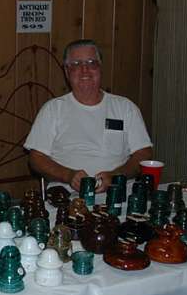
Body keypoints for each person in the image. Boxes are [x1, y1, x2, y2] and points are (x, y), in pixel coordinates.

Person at [24, 39, 153, 192]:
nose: (85, 70)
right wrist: (68, 175)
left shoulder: (125, 107)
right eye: (76, 64)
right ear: (67, 72)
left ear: (100, 68)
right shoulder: (53, 109)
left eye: (92, 63)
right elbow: (36, 158)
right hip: (67, 195)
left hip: (117, 192)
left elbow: (144, 153)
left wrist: (116, 176)